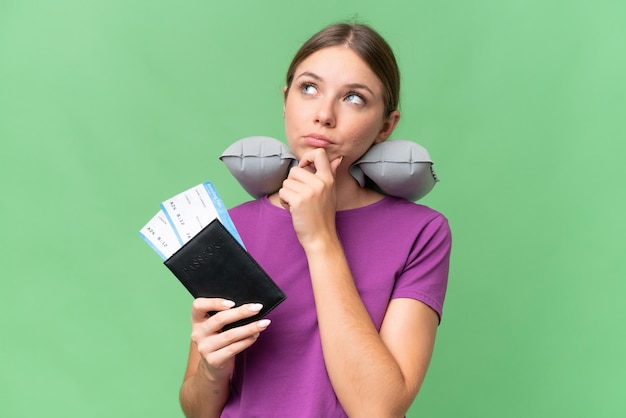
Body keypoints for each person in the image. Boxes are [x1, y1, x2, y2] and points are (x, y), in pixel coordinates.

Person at [179, 22, 452, 418]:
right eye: (309, 88)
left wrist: (321, 238)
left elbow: (378, 409)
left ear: (386, 127)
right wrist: (212, 370)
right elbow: (196, 410)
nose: (324, 115)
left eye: (354, 98)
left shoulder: (422, 232)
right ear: (285, 99)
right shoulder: (231, 229)